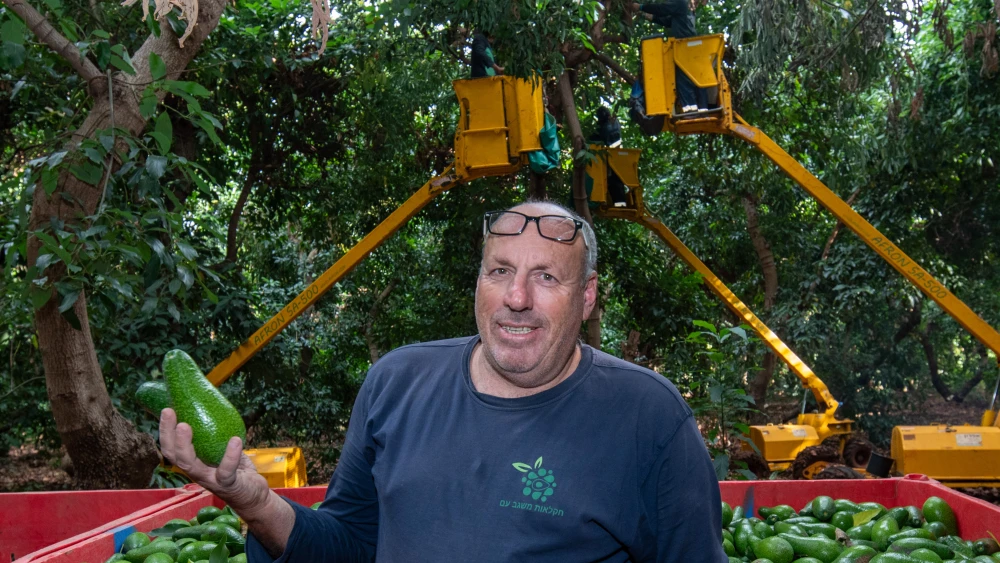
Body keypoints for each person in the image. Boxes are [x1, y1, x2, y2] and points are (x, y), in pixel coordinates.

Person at [159, 201, 727, 562]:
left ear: (587, 297)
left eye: (547, 277)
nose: (517, 298)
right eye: (500, 271)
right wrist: (252, 500)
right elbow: (351, 549)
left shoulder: (647, 417)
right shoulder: (396, 383)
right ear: (478, 282)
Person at [632, 1, 709, 112]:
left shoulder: (682, 3)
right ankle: (702, 109)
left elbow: (662, 8)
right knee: (695, 78)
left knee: (683, 79)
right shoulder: (688, 9)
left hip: (684, 47)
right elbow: (671, 21)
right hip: (691, 47)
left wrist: (641, 7)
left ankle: (690, 110)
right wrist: (649, 16)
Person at [588, 107, 629, 207]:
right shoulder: (614, 123)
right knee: (616, 181)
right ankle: (619, 203)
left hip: (610, 157)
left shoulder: (605, 127)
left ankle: (618, 203)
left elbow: (597, 139)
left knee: (612, 181)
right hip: (616, 156)